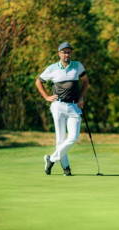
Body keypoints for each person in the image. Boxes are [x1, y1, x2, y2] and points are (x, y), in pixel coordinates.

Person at [35, 42, 89, 176]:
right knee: (60, 139)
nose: (67, 54)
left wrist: (81, 97)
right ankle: (66, 168)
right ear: (59, 53)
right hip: (58, 106)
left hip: (74, 106)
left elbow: (86, 82)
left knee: (73, 137)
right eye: (64, 52)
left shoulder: (78, 66)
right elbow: (38, 81)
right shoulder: (52, 68)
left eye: (69, 52)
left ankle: (51, 159)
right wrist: (46, 97)